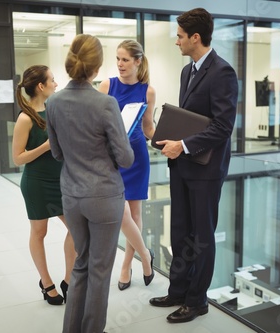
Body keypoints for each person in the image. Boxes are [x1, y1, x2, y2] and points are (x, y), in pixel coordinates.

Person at [148, 8, 238, 324]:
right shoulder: (188, 71)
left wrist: (183, 145)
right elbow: (192, 119)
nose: (177, 42)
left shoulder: (223, 73)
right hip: (182, 166)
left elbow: (222, 127)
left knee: (201, 237)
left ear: (195, 38)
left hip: (206, 171)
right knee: (179, 232)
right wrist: (169, 139)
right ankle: (178, 290)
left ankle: (197, 301)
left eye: (180, 36)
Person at [46, 34, 134, 333]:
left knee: (80, 265)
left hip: (72, 195)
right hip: (103, 197)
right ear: (97, 68)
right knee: (99, 270)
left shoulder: (53, 101)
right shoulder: (106, 103)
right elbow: (126, 158)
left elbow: (57, 152)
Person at [11, 65, 76, 306]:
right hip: (36, 183)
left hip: (61, 181)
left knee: (77, 230)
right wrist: (44, 147)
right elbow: (17, 158)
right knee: (40, 232)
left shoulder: (55, 110)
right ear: (41, 86)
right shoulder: (25, 118)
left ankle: (69, 281)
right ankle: (46, 283)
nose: (56, 84)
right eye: (52, 80)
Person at [98, 39, 156, 291]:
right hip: (112, 158)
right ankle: (145, 255)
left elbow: (149, 128)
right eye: (118, 59)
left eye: (125, 59)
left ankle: (126, 265)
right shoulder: (106, 85)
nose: (120, 64)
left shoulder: (148, 91)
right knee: (121, 213)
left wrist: (170, 136)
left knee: (135, 213)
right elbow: (97, 124)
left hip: (137, 157)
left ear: (137, 61)